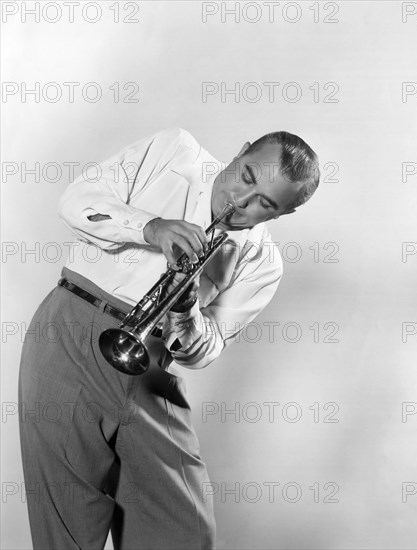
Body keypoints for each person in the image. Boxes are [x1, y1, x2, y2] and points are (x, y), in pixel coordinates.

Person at [18, 127, 320, 550]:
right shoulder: (174, 151)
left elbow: (206, 350)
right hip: (73, 330)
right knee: (65, 525)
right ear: (241, 151)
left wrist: (186, 310)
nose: (240, 201)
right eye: (247, 176)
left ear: (279, 215)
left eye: (263, 204)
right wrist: (151, 228)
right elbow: (75, 201)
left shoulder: (263, 262)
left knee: (187, 530)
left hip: (153, 366)